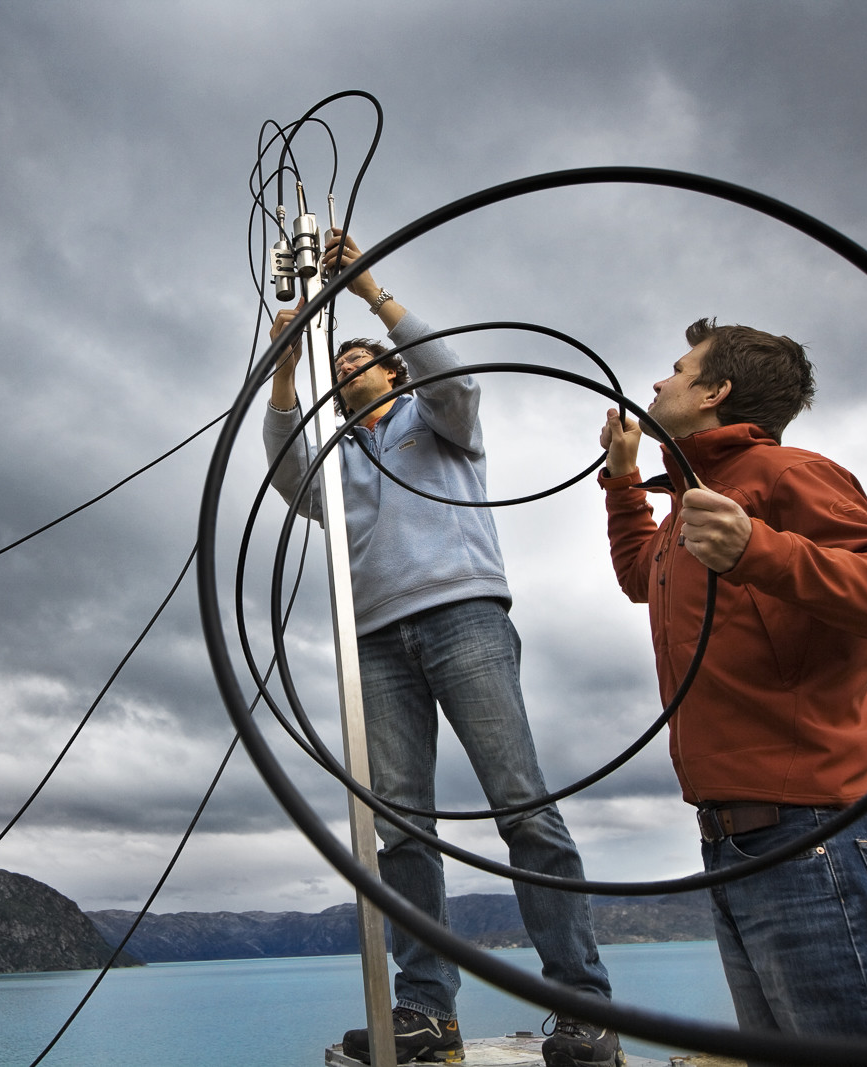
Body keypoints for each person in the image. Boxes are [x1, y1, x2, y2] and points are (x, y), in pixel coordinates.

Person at [265, 230, 620, 1067]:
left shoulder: (439, 421)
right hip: (376, 643)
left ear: (393, 371)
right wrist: (286, 366)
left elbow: (454, 377)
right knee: (400, 831)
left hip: (464, 618)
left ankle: (581, 1005)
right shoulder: (339, 462)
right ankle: (429, 1012)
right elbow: (286, 471)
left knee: (523, 805)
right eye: (339, 367)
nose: (349, 371)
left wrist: (369, 293)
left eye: (365, 362)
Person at [597, 318, 867, 1046]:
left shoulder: (786, 476)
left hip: (819, 841)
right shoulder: (693, 502)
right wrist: (625, 482)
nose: (658, 382)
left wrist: (760, 548)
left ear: (716, 391)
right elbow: (643, 576)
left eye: (678, 368)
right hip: (740, 850)